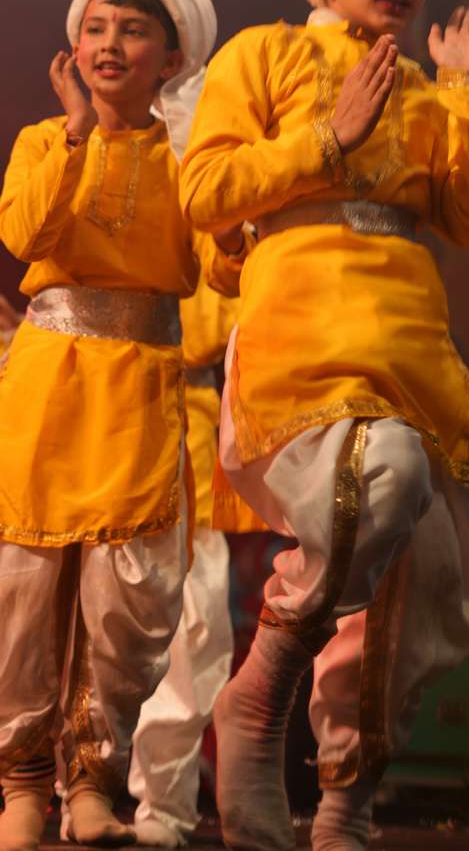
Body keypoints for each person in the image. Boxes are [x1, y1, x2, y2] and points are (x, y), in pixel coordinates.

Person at [180, 0, 469, 851]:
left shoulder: (423, 90)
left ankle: (345, 804)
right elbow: (204, 189)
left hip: (410, 347)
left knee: (404, 588)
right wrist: (328, 140)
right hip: (304, 339)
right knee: (387, 479)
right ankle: (261, 691)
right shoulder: (265, 54)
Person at [0, 0, 244, 851]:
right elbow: (23, 231)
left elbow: (221, 265)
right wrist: (75, 134)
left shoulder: (187, 161)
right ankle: (22, 789)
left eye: (132, 30)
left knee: (128, 608)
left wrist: (247, 216)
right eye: (96, 28)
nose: (108, 44)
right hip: (49, 383)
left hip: (140, 392)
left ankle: (92, 786)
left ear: (171, 59)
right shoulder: (43, 139)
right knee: (28, 593)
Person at [128, 279, 266, 849]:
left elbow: (234, 318)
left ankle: (163, 803)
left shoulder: (223, 234)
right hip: (98, 420)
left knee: (194, 631)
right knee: (84, 627)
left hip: (188, 433)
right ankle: (74, 784)